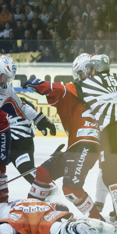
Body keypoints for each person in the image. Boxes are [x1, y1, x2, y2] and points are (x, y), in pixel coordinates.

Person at [22, 53, 101, 219]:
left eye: (80, 74)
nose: (79, 78)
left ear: (89, 70)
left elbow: (59, 89)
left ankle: (97, 220)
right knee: (43, 172)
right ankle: (31, 214)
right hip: (78, 146)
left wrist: (40, 84)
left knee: (71, 188)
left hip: (86, 144)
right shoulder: (95, 90)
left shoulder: (78, 89)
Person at [74, 54, 117, 234]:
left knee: (110, 176)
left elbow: (75, 89)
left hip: (113, 131)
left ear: (93, 69)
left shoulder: (90, 83)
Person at [0, 55, 56, 206]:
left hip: (6, 136)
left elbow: (20, 108)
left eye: (8, 78)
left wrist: (39, 119)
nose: (5, 81)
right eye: (3, 76)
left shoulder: (7, 90)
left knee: (3, 167)